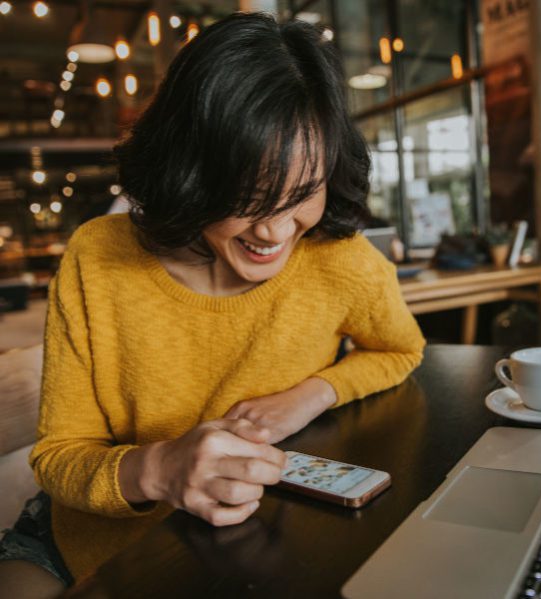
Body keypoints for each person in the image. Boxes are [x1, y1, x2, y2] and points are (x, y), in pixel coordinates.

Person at [0, 12, 425, 598]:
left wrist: (305, 398)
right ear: (191, 173)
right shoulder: (97, 258)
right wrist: (159, 469)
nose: (276, 232)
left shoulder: (341, 259)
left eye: (302, 196)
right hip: (86, 546)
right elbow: (59, 458)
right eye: (248, 198)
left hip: (249, 552)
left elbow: (400, 349)